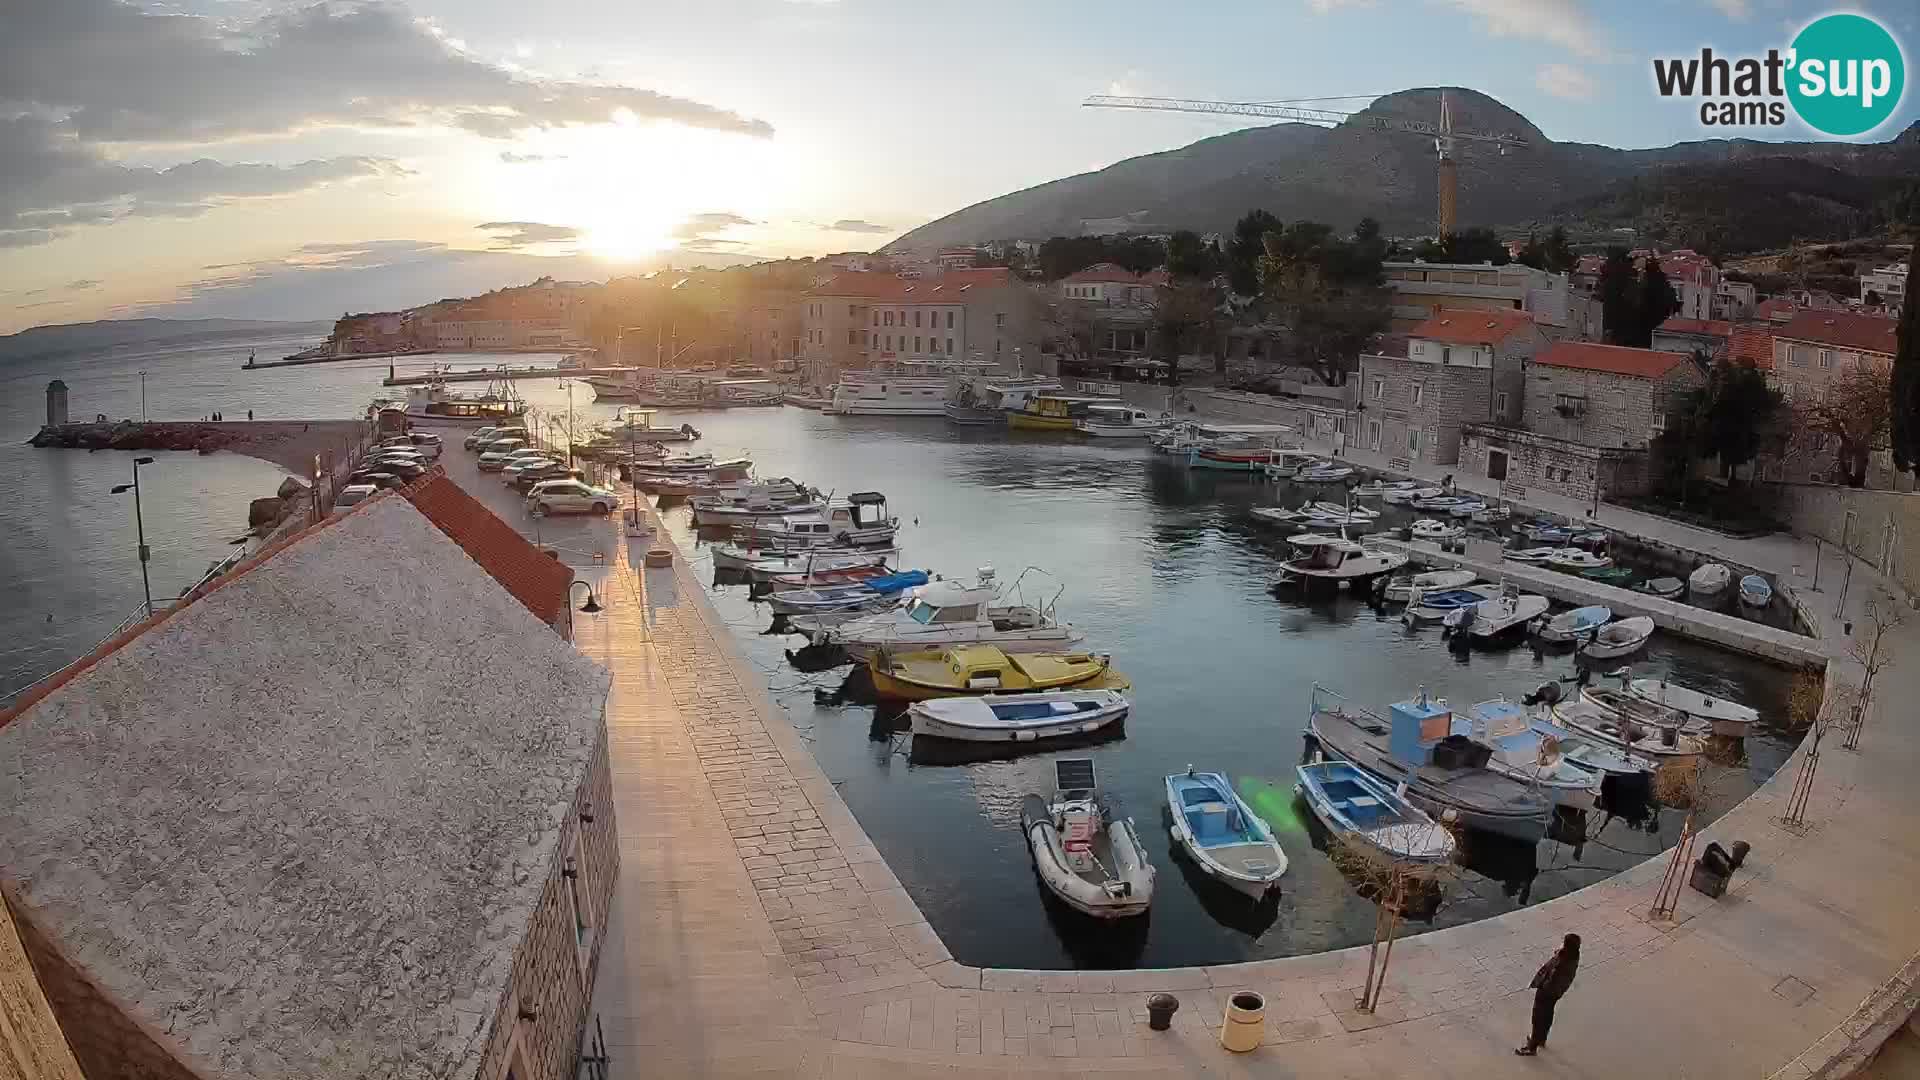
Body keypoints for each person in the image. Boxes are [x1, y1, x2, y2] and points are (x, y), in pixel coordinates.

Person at [1517, 933, 1580, 1056]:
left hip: (1548, 992)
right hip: (1555, 992)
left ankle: (1532, 1047)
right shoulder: (1572, 955)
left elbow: (1553, 975)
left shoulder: (1563, 962)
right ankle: (1541, 1039)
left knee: (1538, 1017)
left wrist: (1542, 985)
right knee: (1547, 1015)